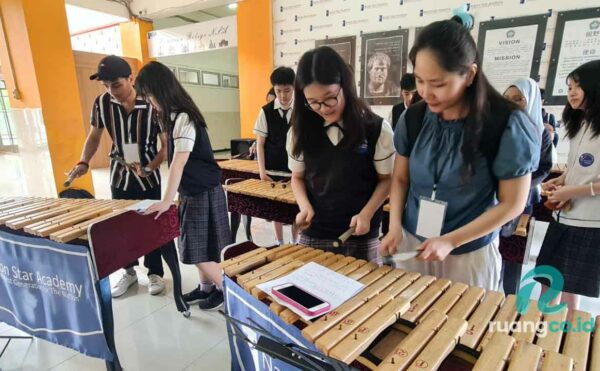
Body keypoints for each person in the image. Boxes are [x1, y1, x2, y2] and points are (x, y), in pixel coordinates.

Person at [380, 17, 540, 291]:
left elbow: (512, 203)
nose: (426, 93)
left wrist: (451, 240)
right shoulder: (415, 117)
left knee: (463, 327)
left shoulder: (505, 123)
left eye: (438, 83)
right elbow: (401, 180)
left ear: (470, 74)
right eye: (419, 80)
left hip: (469, 252)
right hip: (413, 242)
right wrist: (394, 225)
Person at [67, 55, 169, 298]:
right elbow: (94, 136)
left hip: (149, 175)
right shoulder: (102, 103)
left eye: (116, 85)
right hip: (119, 176)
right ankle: (128, 271)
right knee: (122, 225)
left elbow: (165, 146)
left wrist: (150, 168)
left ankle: (154, 272)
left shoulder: (153, 103)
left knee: (150, 224)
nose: (111, 91)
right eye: (106, 86)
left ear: (131, 79)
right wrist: (84, 161)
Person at [136, 61, 232, 310]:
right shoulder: (173, 116)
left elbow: (178, 163)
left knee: (196, 252)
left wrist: (166, 201)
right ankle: (206, 289)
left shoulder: (183, 118)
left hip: (203, 192)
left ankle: (231, 294)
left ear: (159, 89)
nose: (148, 101)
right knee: (206, 247)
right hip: (197, 192)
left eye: (148, 95)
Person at [287, 46, 395, 262]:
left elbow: (387, 180)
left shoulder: (376, 129)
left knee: (363, 295)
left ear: (345, 86)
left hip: (360, 233)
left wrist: (367, 213)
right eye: (313, 102)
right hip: (314, 233)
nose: (324, 108)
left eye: (329, 98)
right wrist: (304, 206)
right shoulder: (299, 131)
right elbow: (297, 177)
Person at [537, 60, 600, 318]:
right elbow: (581, 168)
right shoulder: (580, 122)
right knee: (549, 281)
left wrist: (571, 192)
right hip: (564, 217)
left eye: (578, 86)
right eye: (570, 86)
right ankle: (550, 335)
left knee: (566, 287)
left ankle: (563, 343)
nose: (571, 92)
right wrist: (561, 180)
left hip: (589, 222)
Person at [500, 77, 553, 294]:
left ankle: (510, 299)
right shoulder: (498, 128)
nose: (511, 103)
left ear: (530, 100)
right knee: (493, 248)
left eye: (518, 99)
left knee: (513, 252)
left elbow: (544, 167)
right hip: (496, 198)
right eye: (507, 99)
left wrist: (519, 186)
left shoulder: (541, 133)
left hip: (522, 203)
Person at [253, 67, 299, 245]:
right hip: (272, 170)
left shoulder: (302, 110)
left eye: (287, 91)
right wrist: (262, 171)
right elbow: (260, 143)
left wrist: (301, 174)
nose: (283, 95)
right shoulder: (266, 111)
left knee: (295, 209)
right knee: (276, 211)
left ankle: (296, 241)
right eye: (278, 91)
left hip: (295, 171)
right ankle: (279, 242)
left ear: (294, 88)